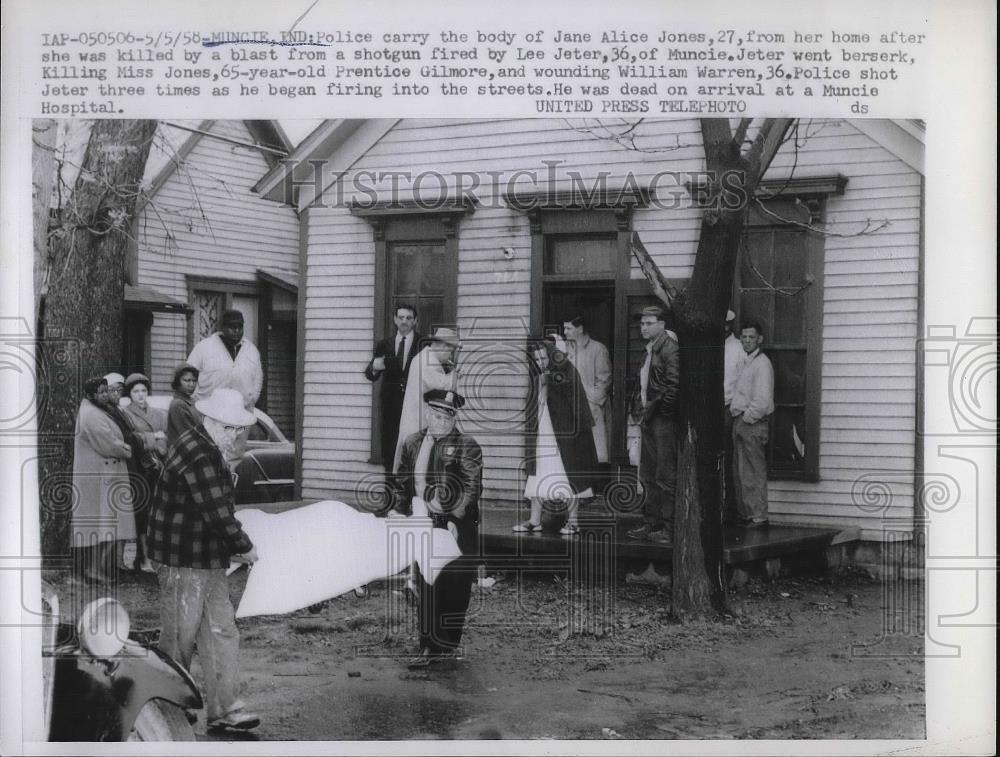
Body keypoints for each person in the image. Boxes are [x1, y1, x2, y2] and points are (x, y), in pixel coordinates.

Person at [146, 387, 261, 731]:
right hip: (182, 558)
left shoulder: (205, 446)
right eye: (228, 428)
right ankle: (164, 709)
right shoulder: (200, 454)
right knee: (180, 636)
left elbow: (216, 510)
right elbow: (216, 512)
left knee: (222, 630)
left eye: (237, 429)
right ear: (209, 421)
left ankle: (225, 708)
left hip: (205, 556)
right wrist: (244, 544)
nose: (234, 436)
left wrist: (232, 543)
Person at [391, 389, 482, 669]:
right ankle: (429, 645)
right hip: (423, 521)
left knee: (455, 585)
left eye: (447, 415)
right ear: (428, 413)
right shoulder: (412, 443)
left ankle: (448, 643)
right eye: (436, 414)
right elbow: (402, 482)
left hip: (455, 524)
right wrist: (397, 508)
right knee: (427, 583)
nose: (441, 420)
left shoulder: (467, 445)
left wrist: (455, 519)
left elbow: (471, 486)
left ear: (454, 418)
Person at [513, 335, 599, 536]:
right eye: (536, 358)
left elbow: (575, 402)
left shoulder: (567, 371)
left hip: (565, 437)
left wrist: (550, 380)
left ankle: (574, 521)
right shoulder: (537, 377)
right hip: (542, 434)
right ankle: (535, 520)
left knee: (567, 474)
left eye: (543, 357)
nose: (540, 361)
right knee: (537, 473)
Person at [71, 377, 135, 583]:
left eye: (106, 391)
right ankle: (94, 570)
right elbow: (108, 444)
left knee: (105, 526)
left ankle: (101, 568)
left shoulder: (96, 410)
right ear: (90, 395)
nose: (105, 395)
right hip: (100, 477)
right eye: (101, 392)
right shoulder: (92, 414)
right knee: (102, 526)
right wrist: (127, 449)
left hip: (103, 475)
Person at [627, 306, 680, 544]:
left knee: (665, 475)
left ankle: (669, 527)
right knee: (648, 473)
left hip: (663, 420)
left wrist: (664, 413)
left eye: (649, 323)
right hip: (649, 418)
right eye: (642, 324)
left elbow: (674, 386)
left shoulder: (669, 348)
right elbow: (644, 384)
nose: (643, 327)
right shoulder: (649, 350)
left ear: (661, 324)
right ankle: (652, 521)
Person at [392, 327, 460, 473]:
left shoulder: (430, 359)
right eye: (450, 349)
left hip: (424, 419)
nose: (450, 354)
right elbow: (443, 388)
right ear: (441, 345)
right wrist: (454, 373)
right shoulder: (425, 360)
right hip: (418, 420)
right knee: (416, 464)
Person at [364, 304, 421, 472]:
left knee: (412, 452)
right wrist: (375, 367)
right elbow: (370, 374)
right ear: (395, 320)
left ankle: (409, 498)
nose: (404, 321)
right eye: (401, 317)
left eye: (409, 318)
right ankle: (390, 497)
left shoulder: (423, 345)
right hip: (390, 407)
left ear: (415, 321)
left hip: (413, 407)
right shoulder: (384, 344)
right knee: (389, 452)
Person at [730, 321, 775, 528]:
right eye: (744, 337)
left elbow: (762, 400)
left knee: (754, 470)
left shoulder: (762, 364)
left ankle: (759, 516)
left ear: (760, 339)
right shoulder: (745, 362)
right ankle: (748, 514)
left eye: (751, 337)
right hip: (740, 420)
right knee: (741, 471)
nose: (747, 341)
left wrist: (747, 418)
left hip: (752, 423)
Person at [122, 373, 167, 573]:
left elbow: (167, 435)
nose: (140, 395)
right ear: (129, 394)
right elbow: (129, 438)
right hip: (139, 469)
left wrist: (159, 444)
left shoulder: (159, 413)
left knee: (158, 512)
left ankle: (156, 556)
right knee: (142, 514)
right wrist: (152, 437)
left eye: (143, 390)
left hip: (158, 466)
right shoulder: (125, 414)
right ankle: (143, 558)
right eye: (135, 391)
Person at [187, 309, 263, 410]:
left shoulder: (252, 351)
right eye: (232, 327)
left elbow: (258, 379)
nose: (236, 331)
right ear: (223, 327)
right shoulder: (204, 347)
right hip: (209, 412)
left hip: (240, 413)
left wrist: (251, 401)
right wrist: (198, 403)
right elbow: (189, 374)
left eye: (240, 327)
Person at [563, 315, 612, 465]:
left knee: (594, 453)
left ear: (580, 329)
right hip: (568, 407)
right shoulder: (563, 348)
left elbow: (604, 381)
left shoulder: (598, 349)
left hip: (592, 408)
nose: (565, 332)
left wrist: (591, 403)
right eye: (564, 328)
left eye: (568, 328)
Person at [722, 309, 745, 523]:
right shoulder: (709, 346)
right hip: (706, 411)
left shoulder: (738, 350)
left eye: (725, 324)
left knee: (729, 461)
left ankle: (731, 512)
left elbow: (741, 385)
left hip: (727, 410)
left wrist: (733, 408)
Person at [166, 363, 201, 448]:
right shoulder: (177, 404)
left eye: (194, 380)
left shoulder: (193, 402)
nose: (192, 384)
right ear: (177, 382)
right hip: (183, 452)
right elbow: (188, 436)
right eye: (187, 380)